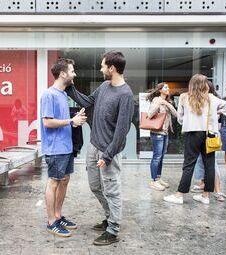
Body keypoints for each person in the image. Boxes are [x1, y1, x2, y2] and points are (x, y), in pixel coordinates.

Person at [65, 51, 134, 245]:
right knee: (95, 186)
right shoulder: (104, 86)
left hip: (108, 151)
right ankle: (109, 216)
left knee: (112, 190)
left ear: (112, 68)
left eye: (103, 66)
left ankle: (113, 229)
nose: (101, 69)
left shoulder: (126, 94)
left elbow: (122, 131)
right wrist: (70, 87)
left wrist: (109, 154)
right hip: (94, 146)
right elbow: (88, 102)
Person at [163, 74, 226, 204]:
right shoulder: (212, 98)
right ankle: (206, 196)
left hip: (193, 133)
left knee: (189, 164)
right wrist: (215, 113)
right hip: (209, 134)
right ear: (204, 84)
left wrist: (189, 120)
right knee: (209, 164)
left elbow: (180, 118)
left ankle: (180, 195)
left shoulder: (184, 97)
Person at [40, 58, 87, 237]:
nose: (74, 74)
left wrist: (75, 120)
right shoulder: (49, 94)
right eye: (72, 70)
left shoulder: (63, 94)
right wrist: (70, 121)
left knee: (65, 180)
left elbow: (63, 121)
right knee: (54, 182)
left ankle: (58, 215)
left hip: (66, 147)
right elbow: (47, 122)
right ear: (63, 74)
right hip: (54, 148)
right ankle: (51, 221)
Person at [191, 82, 226, 202]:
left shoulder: (212, 99)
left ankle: (218, 191)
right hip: (208, 134)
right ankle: (204, 185)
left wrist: (216, 113)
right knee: (203, 162)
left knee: (212, 164)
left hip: (209, 135)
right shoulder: (207, 99)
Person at [146, 83, 177, 191]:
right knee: (157, 157)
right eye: (165, 87)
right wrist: (160, 103)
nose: (168, 89)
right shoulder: (156, 100)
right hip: (157, 132)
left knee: (161, 157)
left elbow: (175, 114)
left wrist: (166, 103)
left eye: (168, 87)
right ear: (160, 90)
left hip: (165, 132)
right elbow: (150, 114)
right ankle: (153, 180)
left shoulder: (168, 101)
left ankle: (158, 178)